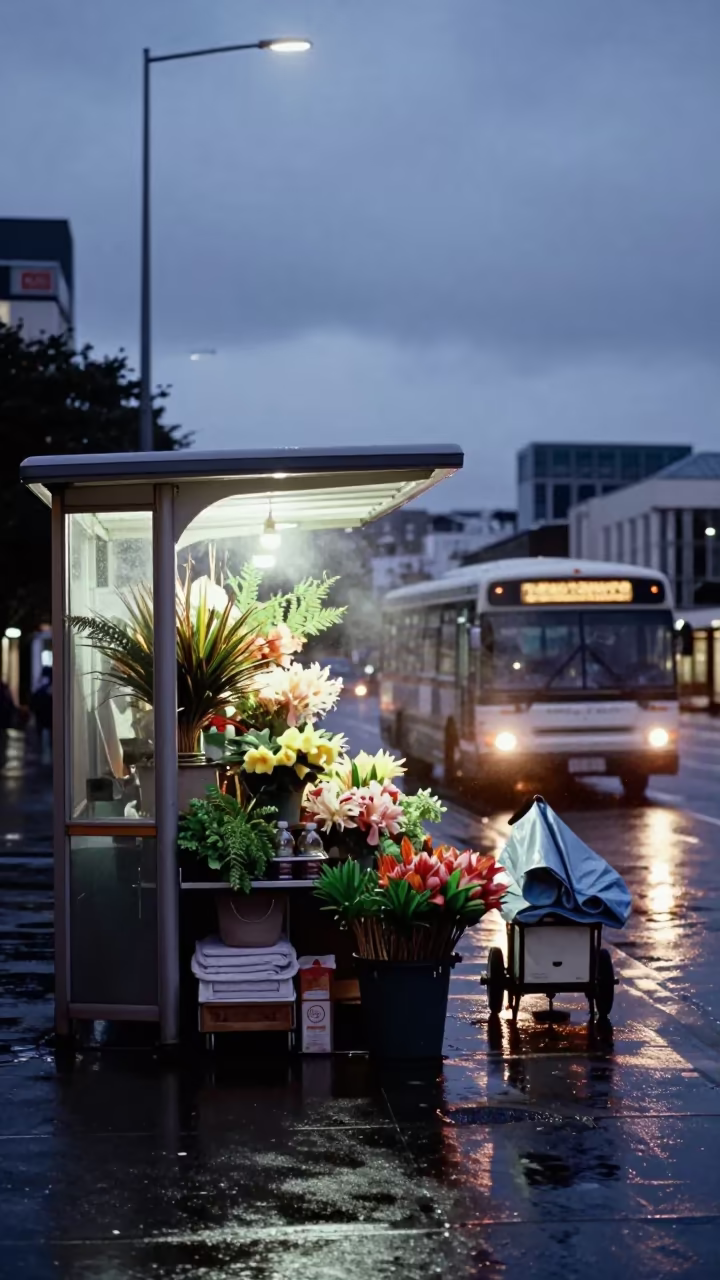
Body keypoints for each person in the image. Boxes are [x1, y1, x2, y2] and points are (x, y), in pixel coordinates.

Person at [29, 671, 52, 758]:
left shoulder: (41, 690)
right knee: (46, 738)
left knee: (44, 737)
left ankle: (43, 753)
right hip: (44, 719)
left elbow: (33, 704)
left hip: (43, 719)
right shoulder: (45, 691)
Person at [0, 680, 16, 767]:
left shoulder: (5, 691)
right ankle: (2, 760)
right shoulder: (5, 691)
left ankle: (2, 760)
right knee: (3, 743)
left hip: (3, 723)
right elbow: (11, 706)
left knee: (3, 742)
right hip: (4, 723)